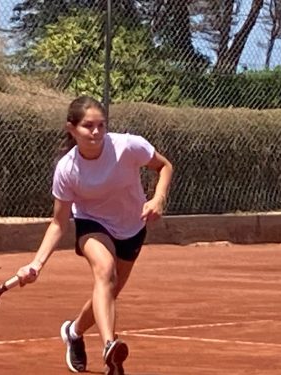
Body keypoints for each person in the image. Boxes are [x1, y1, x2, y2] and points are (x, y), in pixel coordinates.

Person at [16, 96, 174, 375]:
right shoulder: (67, 169)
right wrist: (36, 265)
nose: (97, 132)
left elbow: (164, 166)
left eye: (101, 125)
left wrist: (158, 198)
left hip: (133, 227)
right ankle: (110, 348)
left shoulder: (127, 146)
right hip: (92, 224)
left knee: (110, 291)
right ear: (71, 128)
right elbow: (58, 223)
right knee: (105, 271)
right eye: (88, 126)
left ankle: (74, 332)